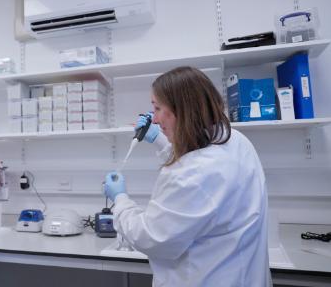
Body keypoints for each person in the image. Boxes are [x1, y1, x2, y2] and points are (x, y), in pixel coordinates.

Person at [104, 66, 271, 287]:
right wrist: (160, 140)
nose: (154, 119)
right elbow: (194, 154)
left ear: (181, 111)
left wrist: (120, 201)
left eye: (157, 108)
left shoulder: (192, 175)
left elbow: (152, 237)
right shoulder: (236, 141)